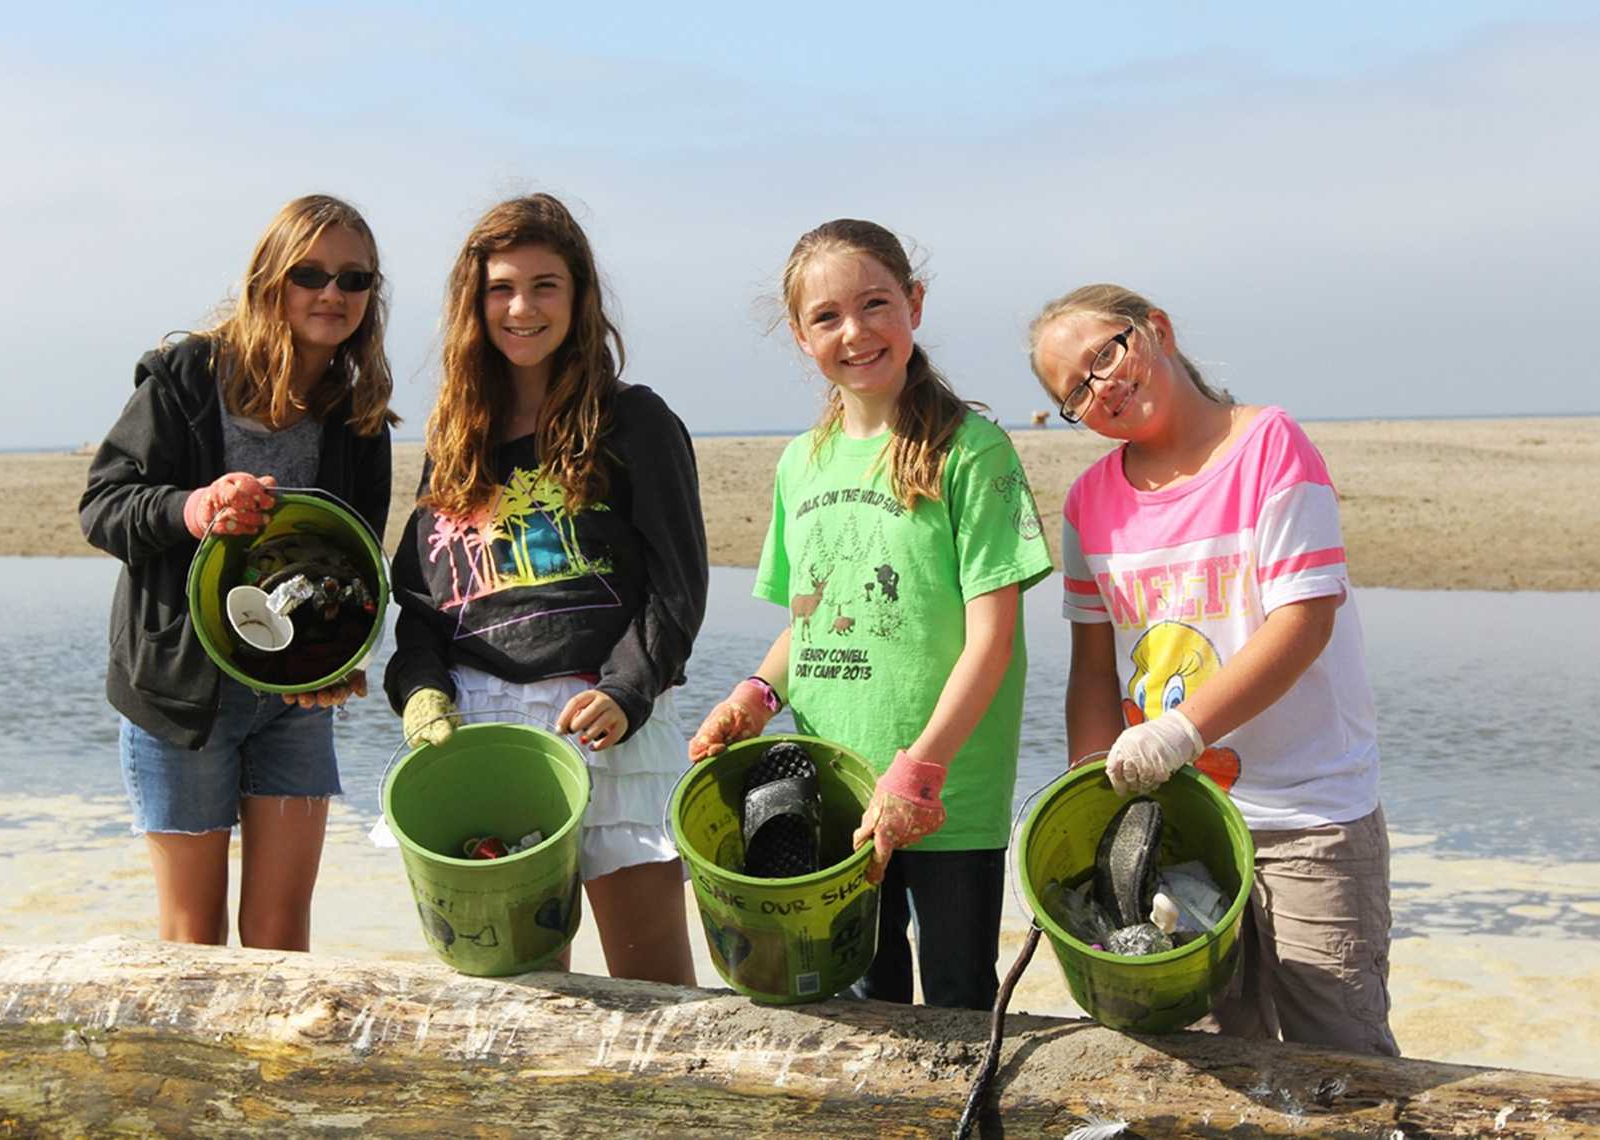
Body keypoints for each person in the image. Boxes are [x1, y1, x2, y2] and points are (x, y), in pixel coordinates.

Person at [689, 219, 1053, 1010]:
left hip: (946, 794)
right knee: (856, 999)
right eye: (827, 317)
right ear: (799, 336)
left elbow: (992, 642)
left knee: (957, 996)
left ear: (914, 305)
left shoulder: (974, 452)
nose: (854, 332)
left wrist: (919, 772)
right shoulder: (800, 462)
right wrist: (752, 696)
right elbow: (811, 618)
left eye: (875, 303)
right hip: (835, 787)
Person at [1026, 283, 1397, 1055]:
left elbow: (1304, 622)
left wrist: (1179, 731)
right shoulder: (1089, 503)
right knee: (1202, 1056)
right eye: (1075, 391)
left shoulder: (1269, 446)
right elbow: (1093, 672)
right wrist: (1093, 800)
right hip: (1176, 821)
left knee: (1340, 1053)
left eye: (1106, 354)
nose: (1102, 387)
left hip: (1308, 818)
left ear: (1154, 329)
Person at [384, 192, 705, 985]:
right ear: (474, 303)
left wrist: (630, 689)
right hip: (482, 732)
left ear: (580, 295)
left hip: (603, 722)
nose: (521, 307)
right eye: (501, 288)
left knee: (654, 985)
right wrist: (421, 691)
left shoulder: (634, 422)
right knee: (514, 992)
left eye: (545, 284)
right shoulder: (456, 441)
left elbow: (677, 584)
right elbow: (423, 603)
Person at [79, 193, 397, 951]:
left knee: (282, 939)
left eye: (355, 280)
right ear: (269, 281)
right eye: (310, 273)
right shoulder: (187, 378)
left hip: (293, 701)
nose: (332, 293)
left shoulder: (358, 417)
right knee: (192, 941)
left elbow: (355, 574)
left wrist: (343, 661)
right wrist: (195, 509)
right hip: (179, 698)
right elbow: (103, 505)